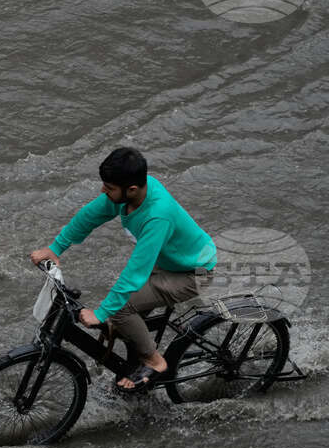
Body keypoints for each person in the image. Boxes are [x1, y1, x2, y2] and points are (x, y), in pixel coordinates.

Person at [30, 147, 217, 392]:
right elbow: (89, 216)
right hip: (168, 261)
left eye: (108, 188)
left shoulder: (157, 216)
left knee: (120, 309)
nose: (103, 191)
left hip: (192, 274)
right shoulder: (130, 195)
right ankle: (136, 359)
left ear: (132, 189)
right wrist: (55, 248)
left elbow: (135, 272)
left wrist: (102, 312)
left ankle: (154, 361)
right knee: (122, 314)